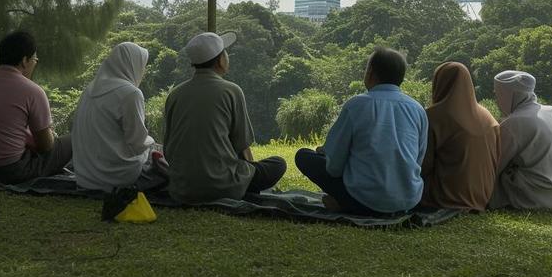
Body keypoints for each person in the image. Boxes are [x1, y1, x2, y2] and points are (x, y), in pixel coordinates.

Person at [295, 47, 427, 215]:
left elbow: (334, 167)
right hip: (408, 200)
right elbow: (418, 160)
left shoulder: (357, 104)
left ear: (370, 72)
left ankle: (347, 204)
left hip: (363, 198)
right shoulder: (417, 109)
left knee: (304, 156)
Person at [163, 32, 286, 203]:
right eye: (225, 53)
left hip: (181, 188)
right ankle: (243, 190)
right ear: (221, 61)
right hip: (223, 186)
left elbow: (168, 147)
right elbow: (242, 144)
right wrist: (248, 176)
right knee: (278, 164)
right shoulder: (231, 91)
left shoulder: (175, 94)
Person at [0, 31, 72, 183]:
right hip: (8, 170)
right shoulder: (32, 91)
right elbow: (46, 146)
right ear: (25, 60)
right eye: (34, 59)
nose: (35, 63)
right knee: (73, 141)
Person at [71, 42, 167, 192]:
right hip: (116, 177)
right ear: (133, 64)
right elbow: (138, 144)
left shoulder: (90, 89)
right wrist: (154, 145)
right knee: (162, 158)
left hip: (86, 177)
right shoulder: (130, 93)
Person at [488, 70, 552, 211]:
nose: (496, 101)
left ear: (507, 94)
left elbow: (494, 167)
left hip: (539, 199)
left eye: (497, 94)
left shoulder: (515, 122)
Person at [420, 62, 501, 211]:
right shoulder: (488, 118)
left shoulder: (434, 117)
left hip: (444, 200)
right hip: (482, 199)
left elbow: (423, 165)